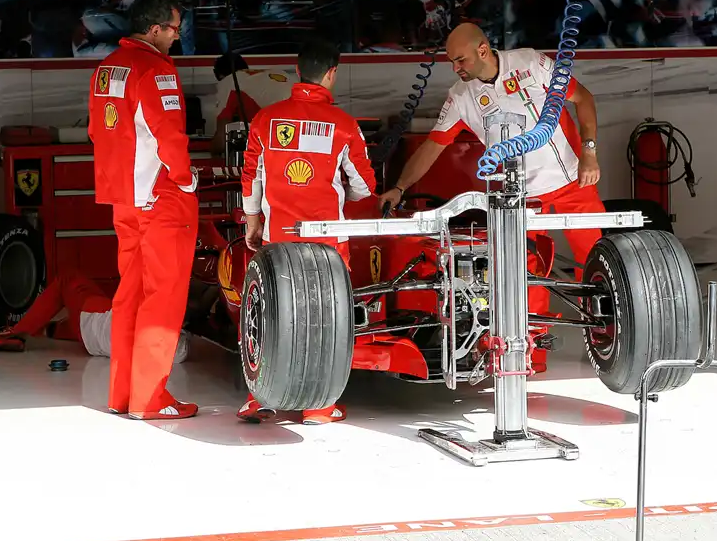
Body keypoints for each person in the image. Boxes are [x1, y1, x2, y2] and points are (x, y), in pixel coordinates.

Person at [378, 23, 606, 309]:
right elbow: (433, 145)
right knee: (523, 277)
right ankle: (533, 349)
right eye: (451, 61)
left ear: (483, 50)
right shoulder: (461, 96)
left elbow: (583, 97)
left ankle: (604, 332)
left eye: (460, 60)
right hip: (520, 197)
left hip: (574, 182)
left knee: (598, 263)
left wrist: (589, 151)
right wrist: (400, 187)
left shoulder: (530, 62)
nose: (455, 68)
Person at [239, 36, 377, 425]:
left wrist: (253, 220)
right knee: (325, 319)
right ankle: (319, 407)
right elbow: (365, 186)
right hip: (328, 240)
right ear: (331, 75)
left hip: (278, 236)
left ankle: (258, 397)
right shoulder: (345, 125)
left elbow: (251, 176)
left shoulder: (266, 120)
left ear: (297, 72)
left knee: (269, 316)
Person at [87, 0, 200, 421]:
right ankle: (150, 399)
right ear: (154, 30)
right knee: (164, 296)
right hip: (160, 197)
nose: (177, 37)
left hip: (122, 198)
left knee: (129, 295)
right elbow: (170, 137)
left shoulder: (104, 69)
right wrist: (187, 181)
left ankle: (121, 396)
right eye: (174, 29)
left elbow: (98, 131)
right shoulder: (155, 69)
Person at [0, 270, 191, 364]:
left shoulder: (156, 313)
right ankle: (49, 329)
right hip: (94, 341)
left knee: (67, 279)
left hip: (95, 321)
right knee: (85, 317)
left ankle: (17, 333)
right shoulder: (179, 352)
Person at [209, 52, 294, 155]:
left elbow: (221, 143)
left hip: (278, 135)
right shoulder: (278, 73)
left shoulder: (230, 81)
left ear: (219, 75)